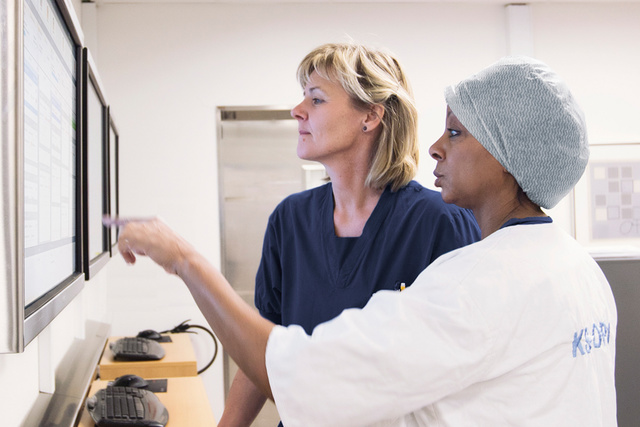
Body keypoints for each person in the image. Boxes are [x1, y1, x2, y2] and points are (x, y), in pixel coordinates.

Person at [110, 56, 617, 426]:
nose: (436, 148)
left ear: (510, 155)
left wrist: (184, 259)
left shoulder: (473, 278)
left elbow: (300, 373)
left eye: (457, 134)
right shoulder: (577, 269)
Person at [219, 43, 480, 426]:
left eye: (317, 99)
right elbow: (266, 352)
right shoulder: (289, 220)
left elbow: (466, 369)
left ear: (370, 116)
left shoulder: (439, 223)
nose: (297, 110)